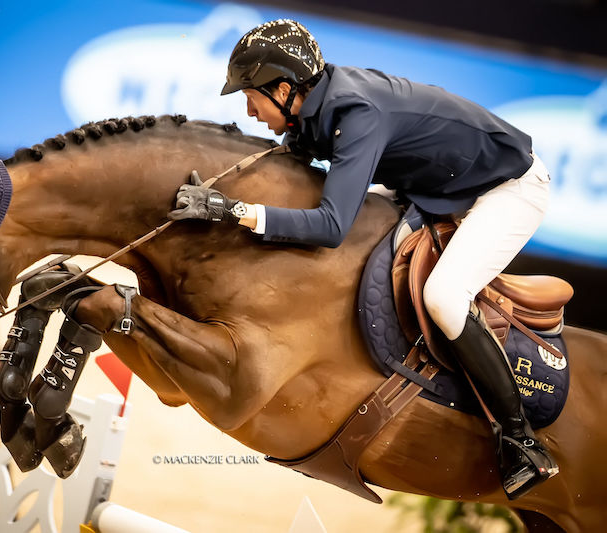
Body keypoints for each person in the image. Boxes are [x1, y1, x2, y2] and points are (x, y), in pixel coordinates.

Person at [168, 19, 558, 500]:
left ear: (286, 89)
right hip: (433, 184)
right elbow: (287, 172)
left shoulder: (356, 111)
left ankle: (520, 439)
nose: (247, 109)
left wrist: (234, 212)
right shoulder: (312, 110)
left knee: (443, 296)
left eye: (250, 95)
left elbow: (331, 228)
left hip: (507, 189)